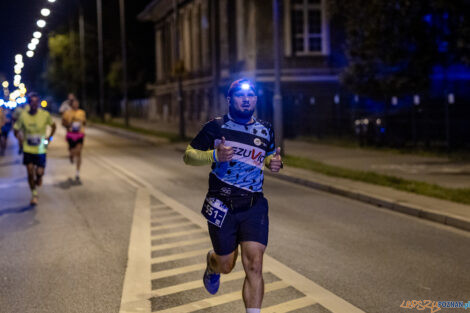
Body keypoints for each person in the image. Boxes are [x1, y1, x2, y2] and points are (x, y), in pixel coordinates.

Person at [183, 79, 283, 313]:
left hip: (253, 204)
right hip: (222, 203)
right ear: (230, 100)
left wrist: (273, 162)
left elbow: (267, 156)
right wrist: (214, 156)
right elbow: (188, 156)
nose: (246, 100)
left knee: (255, 264)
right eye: (240, 96)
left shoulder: (265, 129)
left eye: (250, 96)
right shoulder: (216, 127)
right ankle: (212, 263)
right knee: (227, 264)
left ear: (256, 100)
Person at [13, 92, 56, 205]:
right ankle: (34, 194)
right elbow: (16, 130)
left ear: (38, 103)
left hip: (41, 149)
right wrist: (20, 140)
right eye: (32, 102)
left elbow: (53, 126)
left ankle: (39, 177)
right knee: (29, 172)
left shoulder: (44, 114)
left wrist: (49, 138)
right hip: (28, 149)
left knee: (39, 172)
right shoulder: (23, 116)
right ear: (28, 103)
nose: (34, 104)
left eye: (36, 102)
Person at [62, 98, 86, 181]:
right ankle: (71, 155)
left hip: (80, 134)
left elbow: (84, 122)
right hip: (71, 135)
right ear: (71, 105)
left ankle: (77, 173)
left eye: (77, 103)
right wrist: (68, 125)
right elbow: (63, 123)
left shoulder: (82, 112)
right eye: (74, 103)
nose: (76, 105)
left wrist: (80, 124)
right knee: (72, 152)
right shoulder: (67, 113)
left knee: (79, 152)